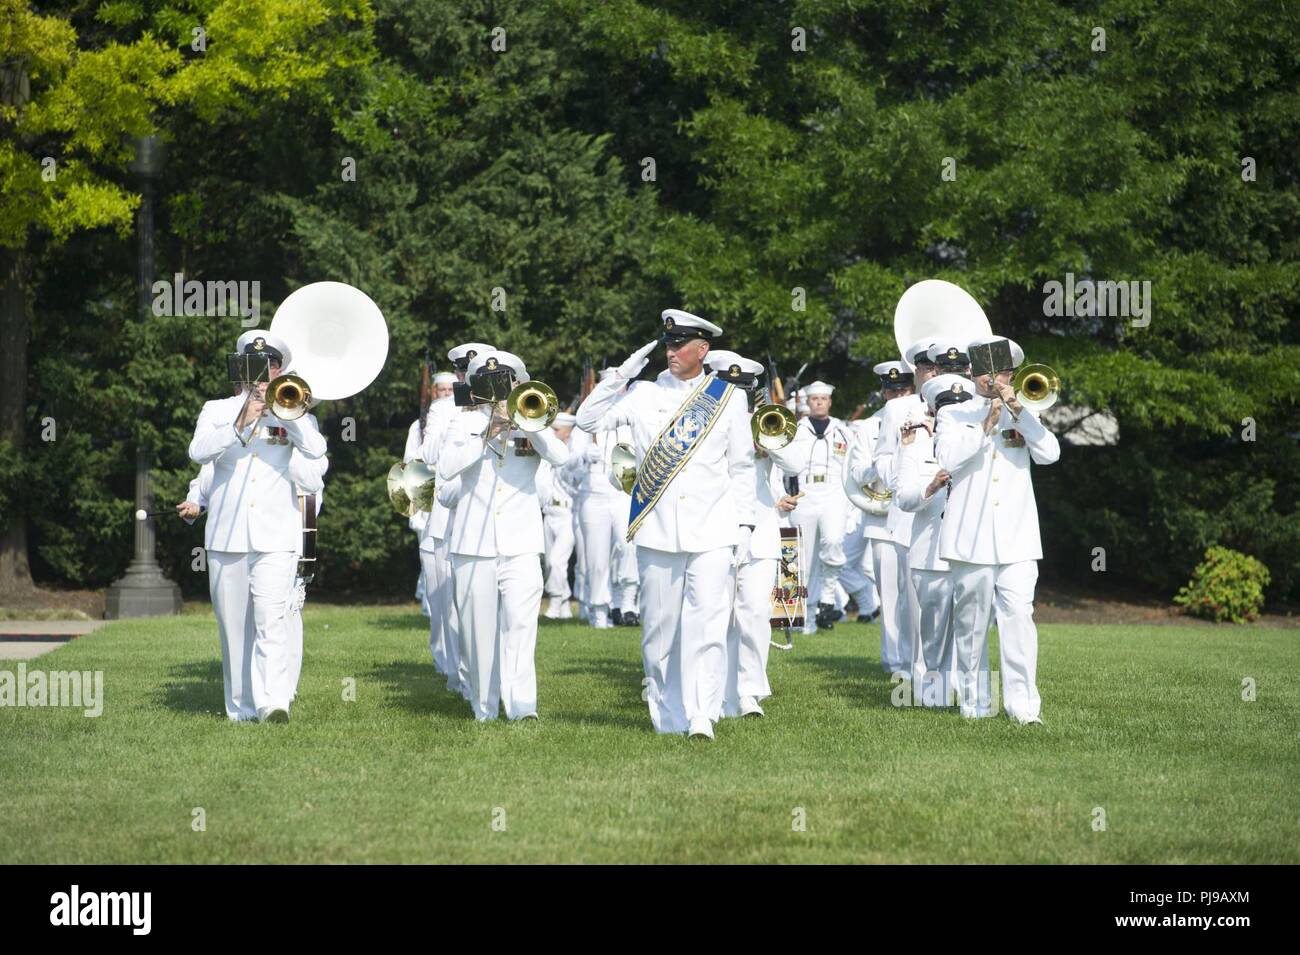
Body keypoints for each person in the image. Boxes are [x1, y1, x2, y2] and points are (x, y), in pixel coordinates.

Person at [576, 309, 756, 739]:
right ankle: (667, 715)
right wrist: (621, 373)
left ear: (702, 349)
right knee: (659, 633)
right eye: (668, 344)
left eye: (680, 344)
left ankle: (701, 716)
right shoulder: (640, 394)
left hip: (712, 529)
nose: (671, 351)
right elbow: (586, 420)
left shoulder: (728, 398)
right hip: (658, 530)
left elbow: (742, 467)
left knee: (709, 625)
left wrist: (745, 526)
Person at [188, 329, 327, 723]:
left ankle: (273, 702)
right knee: (234, 631)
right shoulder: (216, 410)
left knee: (272, 620)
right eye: (255, 368)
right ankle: (240, 709)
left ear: (281, 369)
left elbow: (317, 452)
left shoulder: (295, 410)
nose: (264, 375)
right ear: (241, 369)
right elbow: (197, 451)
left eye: (271, 367)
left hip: (277, 536)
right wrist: (240, 420)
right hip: (226, 536)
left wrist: (292, 416)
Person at [437, 351, 569, 720]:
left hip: (521, 542)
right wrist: (487, 432)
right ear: (478, 388)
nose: (499, 389)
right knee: (477, 632)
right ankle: (484, 707)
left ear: (517, 383)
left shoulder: (533, 418)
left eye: (507, 382)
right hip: (472, 545)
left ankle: (522, 706)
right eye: (490, 383)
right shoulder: (461, 424)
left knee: (521, 624)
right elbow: (446, 469)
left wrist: (529, 425)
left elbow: (561, 457)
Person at [934, 335, 1060, 722]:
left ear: (1011, 374)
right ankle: (975, 704)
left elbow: (1050, 454)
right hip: (969, 537)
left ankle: (1024, 708)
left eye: (1003, 372)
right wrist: (986, 424)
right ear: (973, 373)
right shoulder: (953, 414)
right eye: (989, 372)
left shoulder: (1024, 412)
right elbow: (947, 460)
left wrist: (1019, 412)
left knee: (1019, 617)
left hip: (1017, 537)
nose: (996, 379)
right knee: (971, 625)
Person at [705, 350, 809, 719]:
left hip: (762, 526)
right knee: (716, 613)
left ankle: (749, 690)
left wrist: (767, 442)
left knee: (754, 612)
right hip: (714, 524)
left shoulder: (763, 421)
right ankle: (712, 690)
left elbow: (797, 464)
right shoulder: (702, 422)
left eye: (742, 390)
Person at [419, 343, 494, 696]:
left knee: (477, 601)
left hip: (482, 515)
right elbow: (429, 454)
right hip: (443, 512)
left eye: (470, 371)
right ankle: (455, 672)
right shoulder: (442, 408)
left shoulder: (497, 408)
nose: (465, 378)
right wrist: (458, 419)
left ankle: (479, 675)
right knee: (447, 603)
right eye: (461, 371)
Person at [894, 371, 972, 706]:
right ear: (934, 410)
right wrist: (930, 487)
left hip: (969, 548)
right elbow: (904, 498)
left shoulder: (975, 444)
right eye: (944, 408)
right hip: (930, 552)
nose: (950, 413)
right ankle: (933, 693)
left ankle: (968, 693)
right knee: (933, 631)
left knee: (970, 626)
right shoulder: (916, 446)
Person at [565, 369, 639, 629]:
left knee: (628, 547)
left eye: (619, 386)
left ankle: (626, 603)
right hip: (592, 494)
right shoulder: (586, 422)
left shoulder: (632, 419)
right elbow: (566, 467)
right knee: (596, 558)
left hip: (623, 492)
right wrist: (584, 456)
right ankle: (599, 610)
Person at [788, 381, 854, 632]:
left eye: (823, 399)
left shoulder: (843, 429)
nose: (818, 403)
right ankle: (800, 617)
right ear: (808, 402)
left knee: (833, 542)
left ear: (829, 402)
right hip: (804, 494)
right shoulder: (796, 428)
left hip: (834, 493)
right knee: (801, 558)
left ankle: (827, 598)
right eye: (814, 399)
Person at [538, 412, 577, 619]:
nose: (552, 433)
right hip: (549, 512)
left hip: (568, 514)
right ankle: (564, 605)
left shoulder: (574, 455)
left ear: (568, 432)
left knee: (556, 561)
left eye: (556, 429)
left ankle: (555, 601)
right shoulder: (547, 451)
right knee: (549, 563)